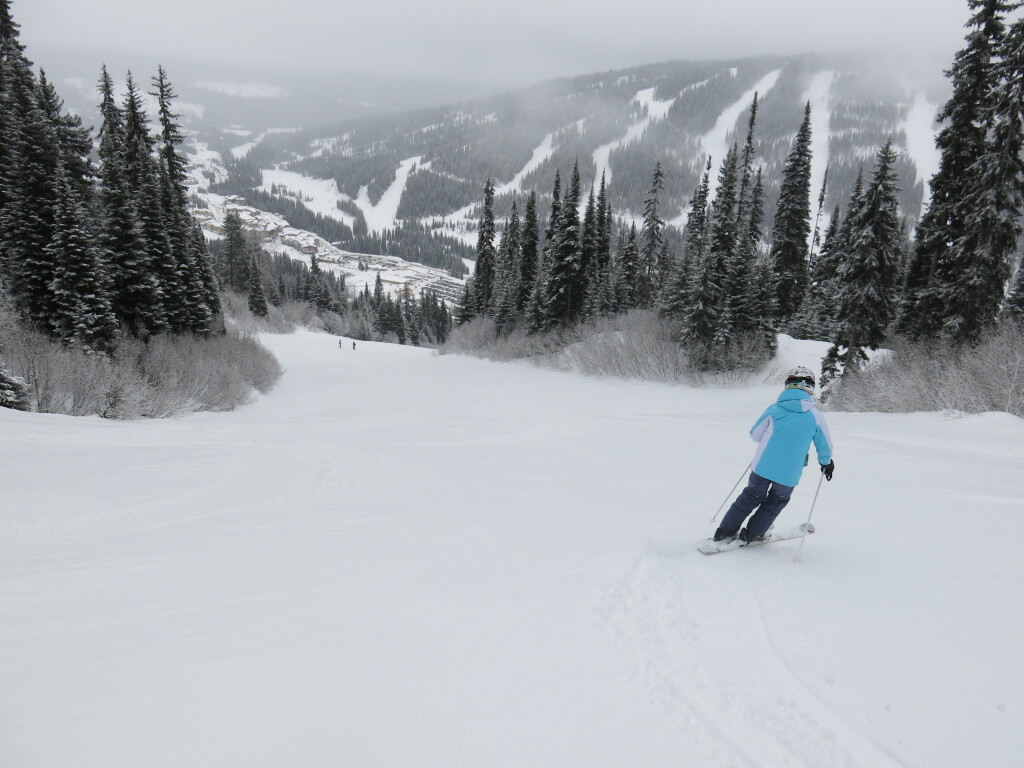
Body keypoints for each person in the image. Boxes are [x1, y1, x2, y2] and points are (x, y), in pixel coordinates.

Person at [713, 366, 835, 543]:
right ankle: (753, 533)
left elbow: (755, 435)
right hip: (789, 473)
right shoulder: (816, 416)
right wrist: (826, 462)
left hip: (762, 466)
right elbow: (825, 445)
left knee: (750, 496)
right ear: (810, 387)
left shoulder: (774, 409)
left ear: (788, 384)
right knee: (776, 501)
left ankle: (725, 530)